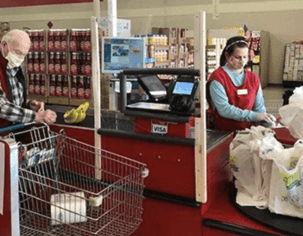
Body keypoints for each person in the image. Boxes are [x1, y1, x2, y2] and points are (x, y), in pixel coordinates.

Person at [206, 36, 274, 132]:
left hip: (250, 132)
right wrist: (254, 116)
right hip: (224, 133)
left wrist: (264, 120)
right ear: (227, 56)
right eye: (238, 57)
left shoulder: (253, 78)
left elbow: (259, 107)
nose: (242, 60)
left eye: (245, 57)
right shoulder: (218, 78)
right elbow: (224, 110)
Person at [0, 29, 56, 128]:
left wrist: (28, 104)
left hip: (11, 133)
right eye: (18, 52)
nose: (21, 58)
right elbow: (1, 107)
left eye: (24, 55)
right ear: (4, 45)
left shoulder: (13, 66)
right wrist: (36, 116)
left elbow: (10, 97)